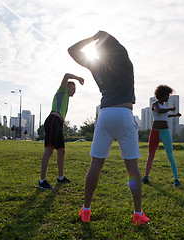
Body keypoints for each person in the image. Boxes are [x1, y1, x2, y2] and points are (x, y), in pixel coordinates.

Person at [68, 31, 149, 225]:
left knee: (96, 163)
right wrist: (102, 35)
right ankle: (138, 213)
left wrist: (91, 39)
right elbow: (117, 45)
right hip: (124, 114)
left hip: (105, 115)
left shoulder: (95, 65)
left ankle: (86, 210)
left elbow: (72, 50)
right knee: (132, 167)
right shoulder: (125, 63)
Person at [38, 73, 84, 189]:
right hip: (53, 120)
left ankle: (60, 177)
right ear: (66, 87)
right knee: (49, 150)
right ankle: (42, 181)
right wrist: (78, 78)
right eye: (73, 88)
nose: (74, 91)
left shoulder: (66, 98)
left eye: (75, 89)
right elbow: (66, 75)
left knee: (62, 151)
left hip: (59, 123)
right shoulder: (61, 91)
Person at [142, 85, 181, 187]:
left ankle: (176, 179)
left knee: (170, 155)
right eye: (167, 95)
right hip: (155, 132)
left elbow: (165, 115)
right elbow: (159, 111)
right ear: (162, 95)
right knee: (151, 155)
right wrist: (170, 109)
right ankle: (146, 176)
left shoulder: (164, 107)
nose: (168, 97)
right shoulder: (155, 104)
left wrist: (174, 115)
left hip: (165, 132)